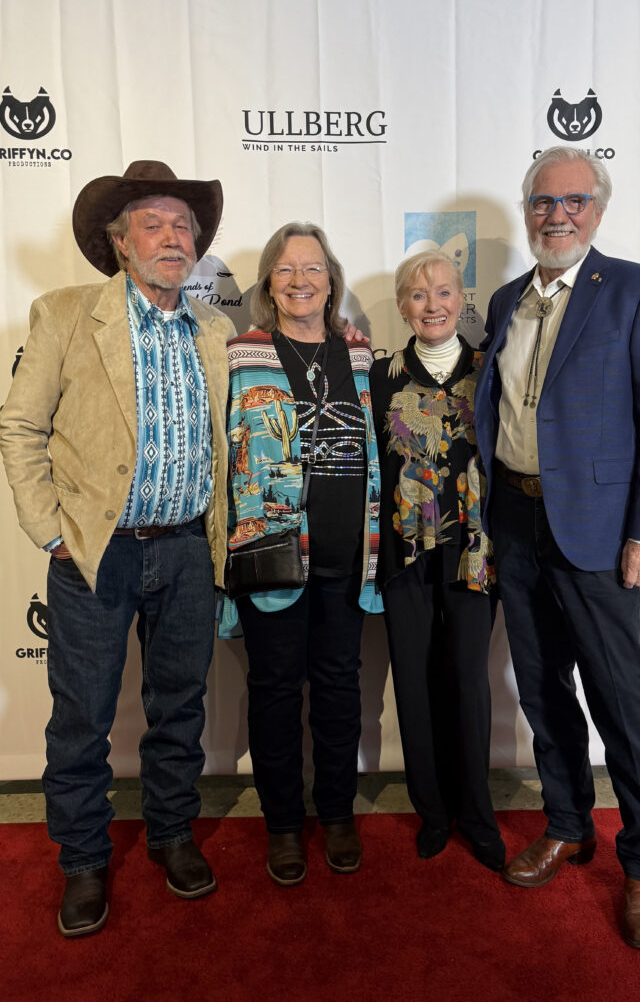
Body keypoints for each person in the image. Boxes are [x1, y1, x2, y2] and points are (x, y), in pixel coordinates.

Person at [0, 160, 233, 937]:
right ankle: (82, 860)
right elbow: (20, 427)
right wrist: (50, 530)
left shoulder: (215, 330)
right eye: (153, 224)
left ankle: (171, 832)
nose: (172, 238)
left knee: (180, 706)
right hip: (96, 552)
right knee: (82, 718)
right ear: (120, 242)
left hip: (188, 550)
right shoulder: (67, 315)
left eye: (183, 226)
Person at [474, 147, 640, 949]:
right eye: (542, 200)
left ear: (597, 209)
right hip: (516, 522)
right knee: (541, 690)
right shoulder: (505, 300)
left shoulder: (636, 290)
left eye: (573, 200)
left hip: (598, 534)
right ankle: (567, 823)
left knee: (621, 702)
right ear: (527, 209)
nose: (556, 214)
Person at [220, 221, 383, 886]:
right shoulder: (241, 354)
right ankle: (284, 823)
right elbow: (224, 455)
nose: (300, 280)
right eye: (285, 269)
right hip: (271, 554)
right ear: (267, 284)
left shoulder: (360, 355)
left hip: (347, 556)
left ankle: (337, 813)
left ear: (331, 280)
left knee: (341, 689)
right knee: (276, 690)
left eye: (312, 268)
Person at [369, 250, 504, 872]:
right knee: (415, 681)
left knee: (469, 683)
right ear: (403, 306)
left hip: (474, 551)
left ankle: (476, 814)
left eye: (444, 292)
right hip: (404, 551)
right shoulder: (380, 376)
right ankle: (432, 813)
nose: (433, 305)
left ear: (461, 301)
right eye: (419, 295)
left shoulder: (490, 369)